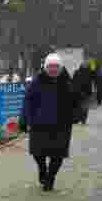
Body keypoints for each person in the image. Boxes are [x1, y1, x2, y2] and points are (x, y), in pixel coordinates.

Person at [20, 53, 78, 192]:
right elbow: (28, 101)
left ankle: (50, 178)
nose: (53, 69)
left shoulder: (67, 82)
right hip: (39, 124)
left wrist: (76, 114)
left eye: (56, 66)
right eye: (50, 66)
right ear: (45, 67)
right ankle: (42, 170)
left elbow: (76, 101)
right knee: (37, 152)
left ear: (60, 67)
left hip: (62, 125)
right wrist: (24, 119)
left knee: (58, 154)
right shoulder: (37, 81)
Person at [71, 58, 95, 125]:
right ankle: (82, 119)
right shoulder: (90, 72)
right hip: (86, 92)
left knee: (80, 106)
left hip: (79, 92)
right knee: (84, 107)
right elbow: (94, 75)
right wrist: (92, 64)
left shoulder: (77, 72)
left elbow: (73, 82)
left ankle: (79, 119)